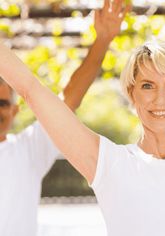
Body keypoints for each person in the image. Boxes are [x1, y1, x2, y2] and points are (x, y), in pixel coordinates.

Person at [0, 13, 165, 236]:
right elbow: (30, 89)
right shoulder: (109, 164)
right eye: (147, 85)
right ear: (132, 94)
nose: (160, 98)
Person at [0, 0, 130, 235]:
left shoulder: (28, 149)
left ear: (15, 110)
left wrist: (103, 40)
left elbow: (68, 101)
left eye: (2, 104)